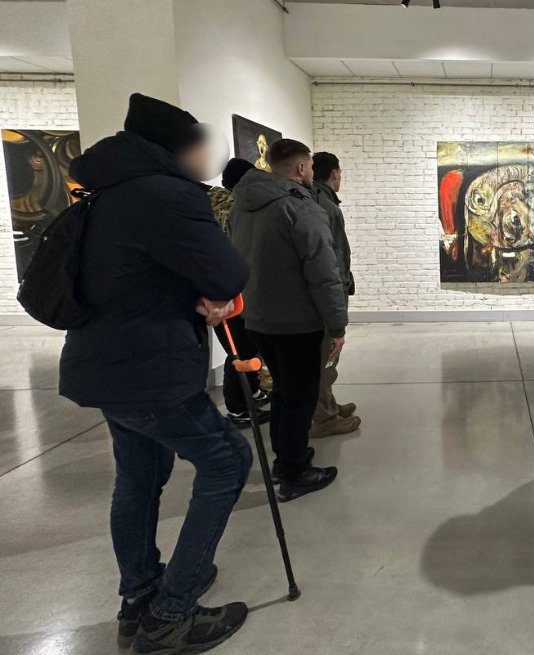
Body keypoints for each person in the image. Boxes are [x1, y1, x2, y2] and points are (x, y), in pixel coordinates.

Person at [59, 93, 252, 654]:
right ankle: (171, 613)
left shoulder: (106, 191)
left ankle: (141, 593)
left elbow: (139, 274)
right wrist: (214, 291)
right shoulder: (166, 194)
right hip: (151, 368)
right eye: (199, 145)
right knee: (227, 460)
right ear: (176, 149)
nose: (206, 156)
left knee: (139, 477)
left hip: (106, 365)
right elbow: (227, 271)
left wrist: (197, 291)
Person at [230, 138, 346, 502]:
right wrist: (337, 326)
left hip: (256, 317)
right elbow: (324, 274)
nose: (311, 171)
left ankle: (285, 460)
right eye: (309, 165)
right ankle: (295, 473)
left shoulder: (243, 204)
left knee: (283, 390)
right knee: (300, 397)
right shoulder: (300, 208)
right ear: (300, 167)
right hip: (296, 321)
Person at [208, 157, 271, 426]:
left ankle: (252, 394)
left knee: (243, 347)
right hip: (233, 290)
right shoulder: (237, 207)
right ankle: (237, 409)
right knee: (242, 350)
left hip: (217, 289)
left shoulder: (206, 205)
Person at [309, 151, 361, 438]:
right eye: (340, 173)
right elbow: (335, 257)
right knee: (328, 352)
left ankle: (326, 405)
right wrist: (339, 294)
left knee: (322, 353)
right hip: (329, 292)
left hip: (315, 292)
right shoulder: (327, 206)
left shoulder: (307, 199)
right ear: (334, 173)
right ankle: (325, 418)